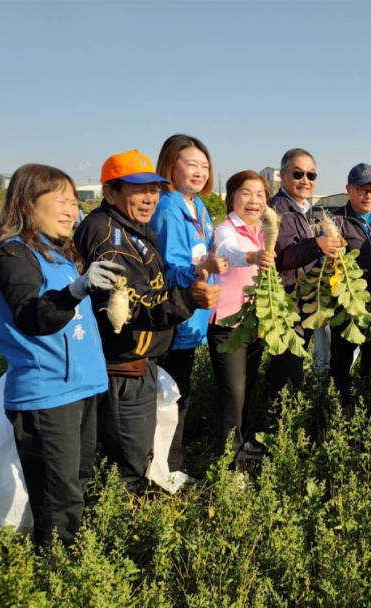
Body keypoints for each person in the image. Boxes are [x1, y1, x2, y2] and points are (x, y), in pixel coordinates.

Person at [74, 150, 220, 492]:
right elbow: (133, 307)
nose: (149, 198)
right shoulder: (109, 236)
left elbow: (158, 280)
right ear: (111, 192)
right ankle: (125, 526)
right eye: (138, 190)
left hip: (138, 360)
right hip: (123, 364)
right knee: (128, 458)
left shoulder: (132, 229)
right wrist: (189, 299)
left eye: (154, 189)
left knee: (136, 446)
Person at [0, 164, 123, 547]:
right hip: (47, 391)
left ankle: (68, 564)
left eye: (74, 201)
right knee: (57, 495)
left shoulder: (57, 254)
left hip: (81, 387)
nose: (71, 210)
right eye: (60, 201)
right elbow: (31, 316)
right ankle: (56, 572)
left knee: (76, 482)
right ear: (29, 204)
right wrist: (76, 290)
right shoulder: (13, 253)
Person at [149, 134, 228, 473]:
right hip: (176, 313)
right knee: (170, 395)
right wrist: (202, 268)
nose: (199, 172)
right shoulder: (167, 208)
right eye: (191, 164)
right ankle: (167, 469)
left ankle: (171, 463)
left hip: (194, 314)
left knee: (180, 390)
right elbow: (167, 268)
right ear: (170, 165)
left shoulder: (198, 206)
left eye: (205, 166)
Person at [208, 171, 275, 459]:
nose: (254, 200)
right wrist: (251, 256)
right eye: (246, 193)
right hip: (229, 324)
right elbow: (225, 251)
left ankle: (242, 445)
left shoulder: (263, 230)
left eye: (260, 194)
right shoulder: (226, 229)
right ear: (231, 197)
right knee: (233, 393)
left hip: (253, 323)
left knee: (246, 388)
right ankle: (228, 461)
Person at [267, 149, 342, 402]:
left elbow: (304, 254)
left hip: (302, 300)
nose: (305, 180)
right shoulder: (279, 208)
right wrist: (318, 245)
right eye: (298, 173)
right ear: (283, 175)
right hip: (289, 301)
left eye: (311, 174)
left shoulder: (302, 208)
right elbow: (284, 257)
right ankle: (278, 426)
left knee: (290, 362)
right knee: (288, 367)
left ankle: (280, 417)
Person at [329, 163, 371, 406]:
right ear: (349, 190)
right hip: (347, 307)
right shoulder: (337, 220)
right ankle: (342, 406)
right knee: (342, 359)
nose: (368, 196)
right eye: (362, 190)